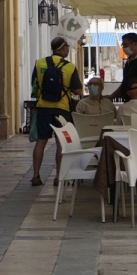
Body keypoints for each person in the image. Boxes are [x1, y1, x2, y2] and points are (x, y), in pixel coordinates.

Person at [29, 37, 83, 187]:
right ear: (63, 48)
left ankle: (35, 176)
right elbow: (78, 90)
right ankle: (59, 177)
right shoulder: (70, 67)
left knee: (41, 141)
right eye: (67, 47)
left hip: (42, 108)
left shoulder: (39, 63)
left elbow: (34, 85)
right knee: (61, 143)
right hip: (62, 109)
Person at [110, 32, 137, 102]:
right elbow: (125, 83)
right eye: (123, 45)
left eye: (125, 45)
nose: (124, 48)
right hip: (128, 101)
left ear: (134, 44)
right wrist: (112, 96)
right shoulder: (129, 61)